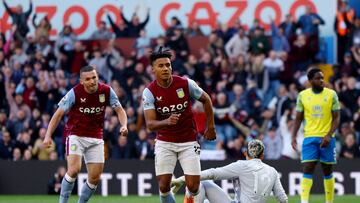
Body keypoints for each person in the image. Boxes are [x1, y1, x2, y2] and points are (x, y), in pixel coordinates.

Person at [43, 65, 128, 203]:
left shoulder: (106, 90)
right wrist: (47, 135)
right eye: (88, 79)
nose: (92, 81)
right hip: (76, 135)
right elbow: (58, 114)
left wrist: (124, 125)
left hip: (96, 137)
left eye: (94, 77)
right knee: (74, 170)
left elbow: (120, 110)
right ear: (82, 81)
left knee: (94, 178)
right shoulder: (74, 93)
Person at [142, 47, 216, 203]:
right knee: (163, 186)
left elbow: (206, 99)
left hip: (188, 141)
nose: (165, 68)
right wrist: (166, 121)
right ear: (153, 69)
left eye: (168, 65)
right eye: (161, 66)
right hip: (165, 142)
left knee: (194, 186)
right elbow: (150, 124)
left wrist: (211, 127)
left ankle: (190, 190)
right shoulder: (149, 92)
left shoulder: (185, 83)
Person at [171, 139, 288, 203]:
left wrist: (182, 179)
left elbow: (213, 173)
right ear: (262, 155)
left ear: (245, 153)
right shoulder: (272, 171)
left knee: (202, 184)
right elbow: (282, 198)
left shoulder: (242, 165)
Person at [291, 67, 340, 203]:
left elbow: (336, 118)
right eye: (318, 78)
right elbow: (298, 118)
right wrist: (293, 135)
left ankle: (329, 201)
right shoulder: (303, 96)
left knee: (327, 169)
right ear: (310, 80)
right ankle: (304, 201)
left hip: (327, 137)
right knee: (307, 167)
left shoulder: (332, 95)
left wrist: (329, 135)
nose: (321, 80)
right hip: (309, 137)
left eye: (322, 78)